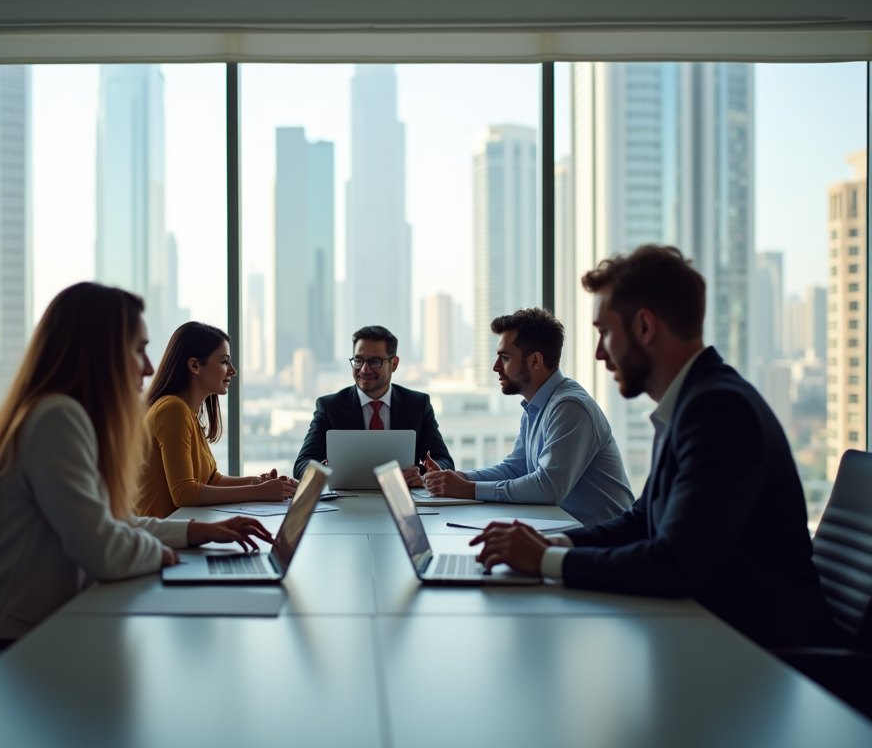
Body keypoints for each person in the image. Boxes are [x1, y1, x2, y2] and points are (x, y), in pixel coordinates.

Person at [472, 246, 835, 649]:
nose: (598, 352)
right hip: (712, 634)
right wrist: (553, 544)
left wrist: (545, 561)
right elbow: (641, 520)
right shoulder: (690, 402)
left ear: (644, 327)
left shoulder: (719, 410)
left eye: (605, 332)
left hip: (766, 657)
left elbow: (672, 565)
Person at [0, 284, 273, 695]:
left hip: (30, 630)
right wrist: (162, 553)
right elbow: (104, 549)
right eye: (137, 350)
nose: (147, 368)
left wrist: (197, 532)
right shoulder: (56, 419)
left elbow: (112, 521)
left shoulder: (66, 416)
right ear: (99, 350)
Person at [424, 308, 633, 526]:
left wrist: (468, 489)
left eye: (504, 358)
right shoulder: (536, 406)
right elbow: (516, 468)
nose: (496, 367)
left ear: (535, 361)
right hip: (566, 532)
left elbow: (548, 487)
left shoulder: (570, 406)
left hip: (605, 545)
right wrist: (458, 478)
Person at [137, 322, 296, 518]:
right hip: (161, 538)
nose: (232, 371)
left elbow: (212, 480)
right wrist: (261, 492)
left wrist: (259, 483)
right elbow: (184, 494)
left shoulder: (189, 412)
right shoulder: (172, 410)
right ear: (195, 365)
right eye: (224, 362)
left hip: (179, 528)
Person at [293, 325, 453, 486]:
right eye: (358, 360)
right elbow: (302, 465)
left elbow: (444, 461)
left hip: (404, 498)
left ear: (394, 364)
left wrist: (421, 473)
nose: (364, 369)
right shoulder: (330, 407)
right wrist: (323, 471)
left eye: (374, 361)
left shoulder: (417, 404)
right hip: (345, 502)